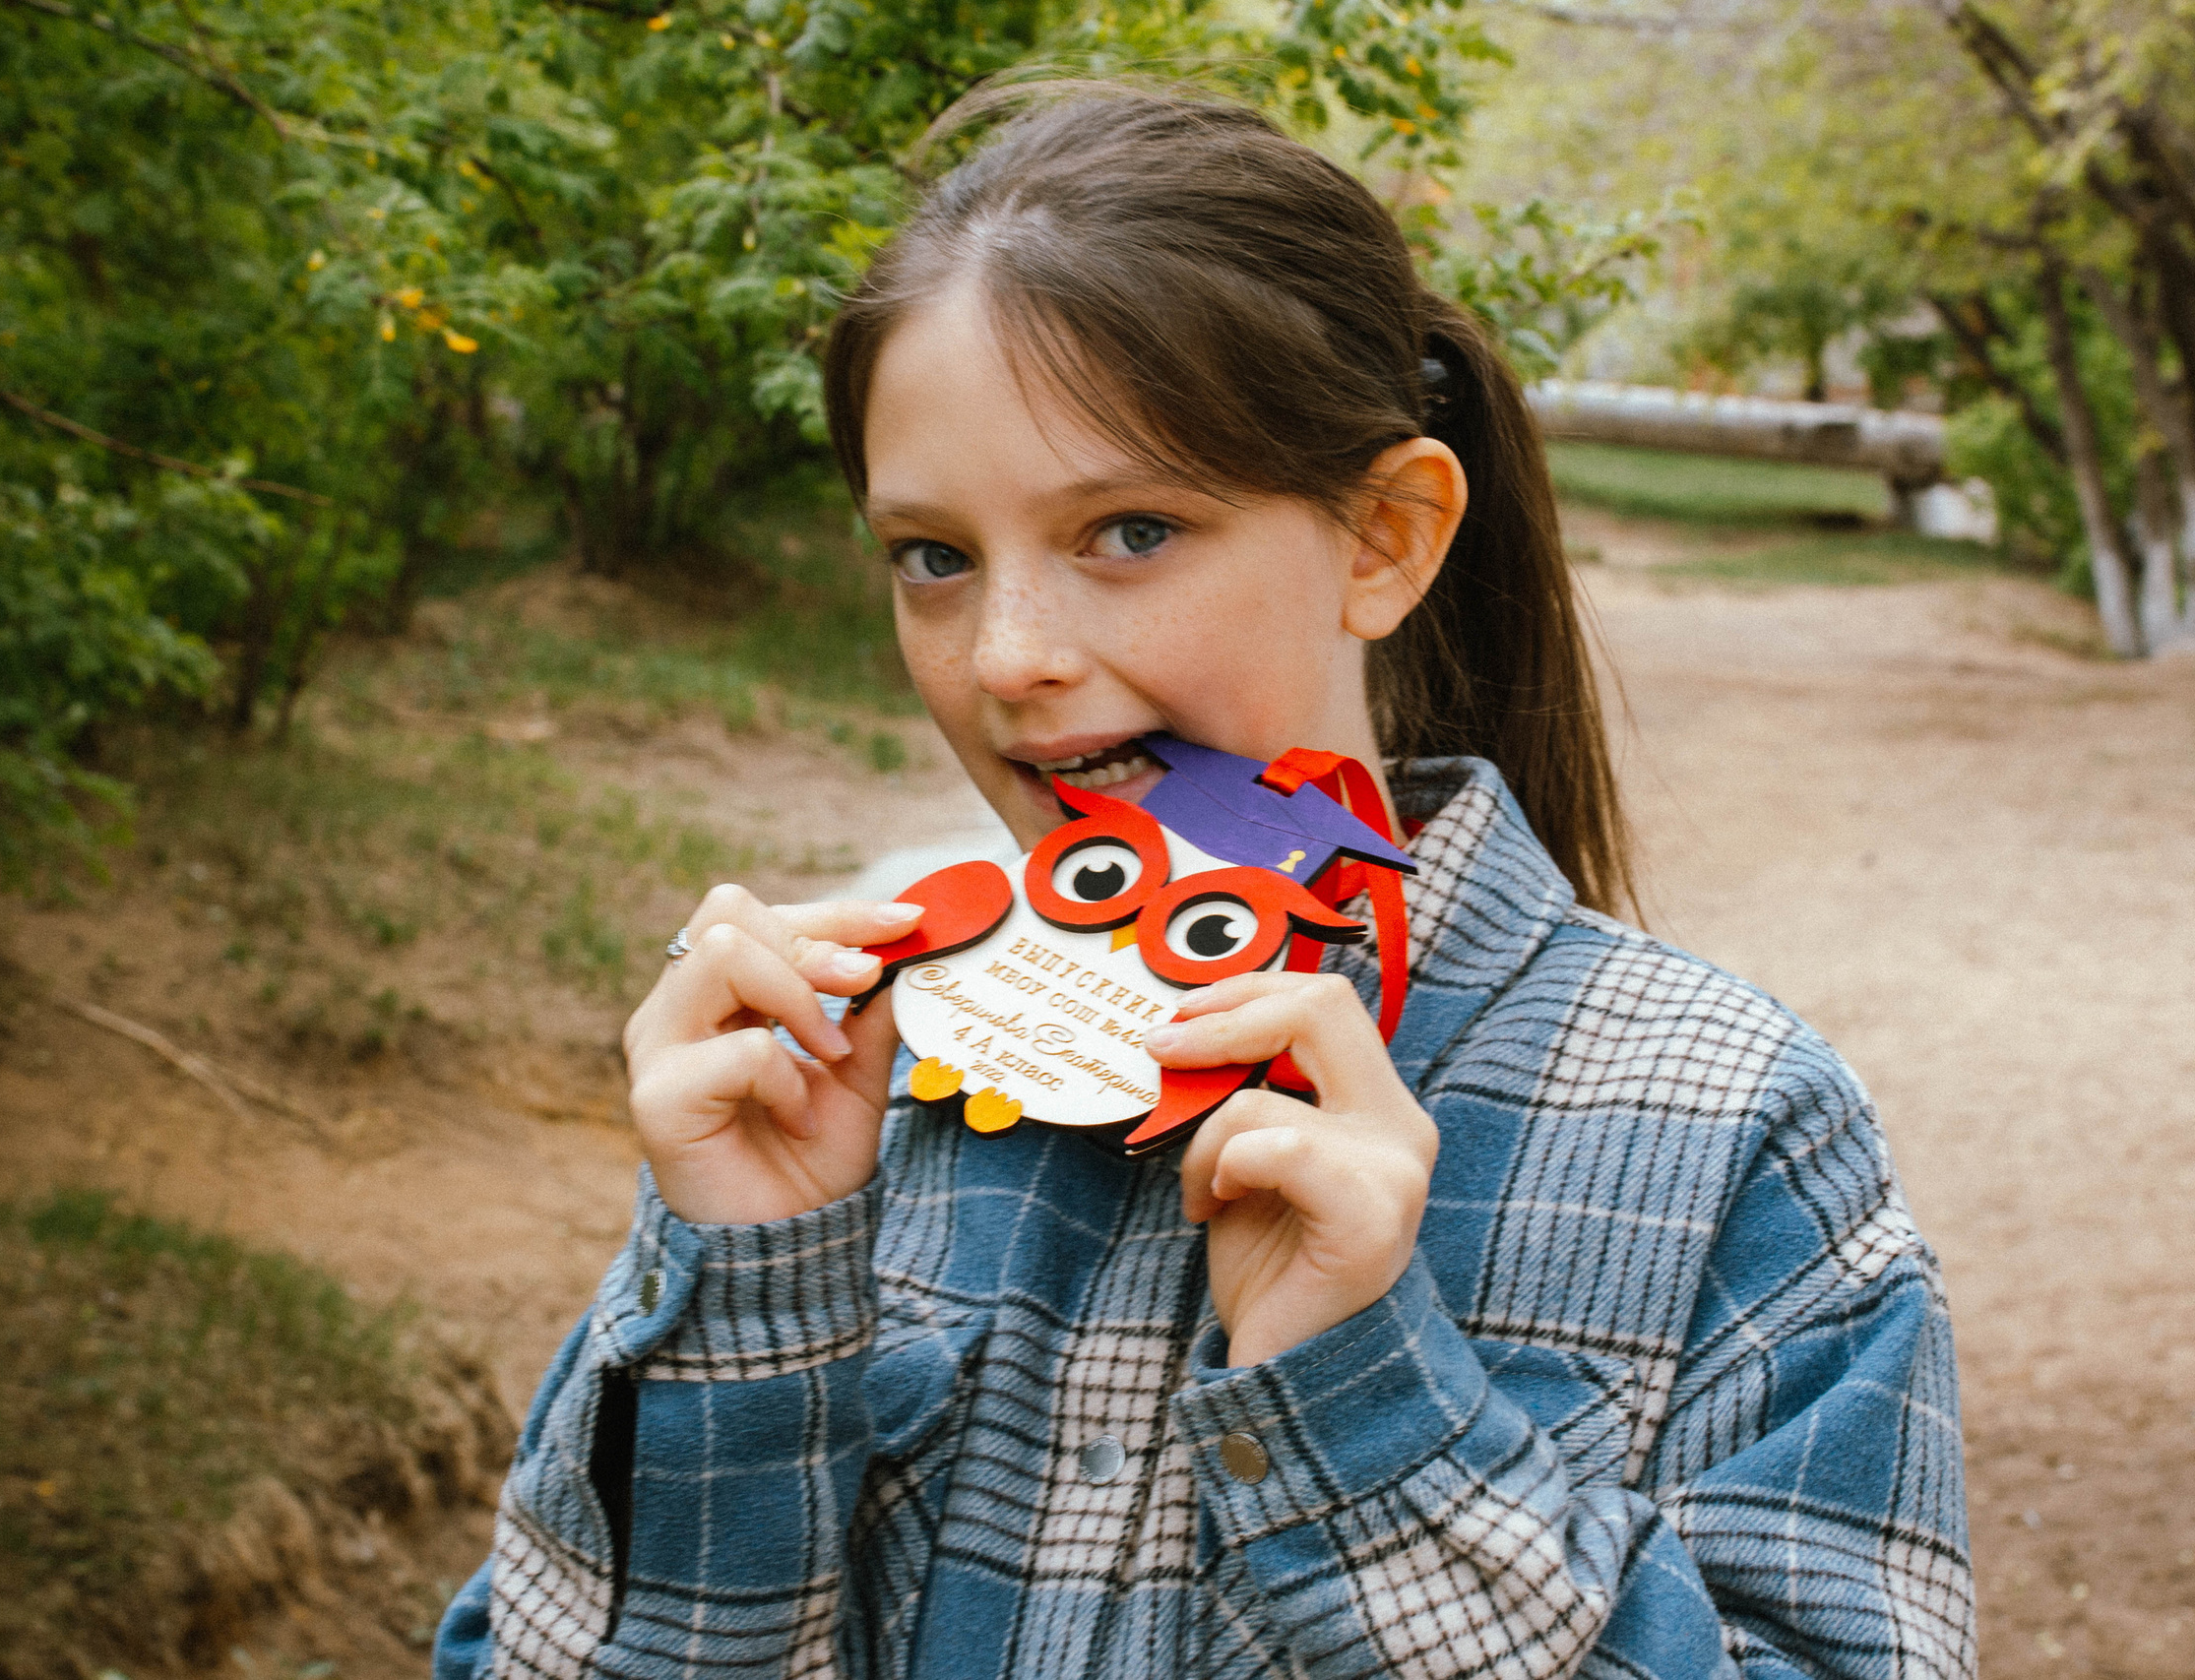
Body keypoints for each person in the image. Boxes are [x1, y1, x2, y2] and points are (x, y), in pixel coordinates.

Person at [436, 88, 1972, 1680]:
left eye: (1131, 530)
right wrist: (747, 1311)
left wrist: (1364, 1411)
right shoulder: (843, 1088)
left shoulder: (1728, 1124)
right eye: (932, 557)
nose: (1008, 658)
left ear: (1384, 536)